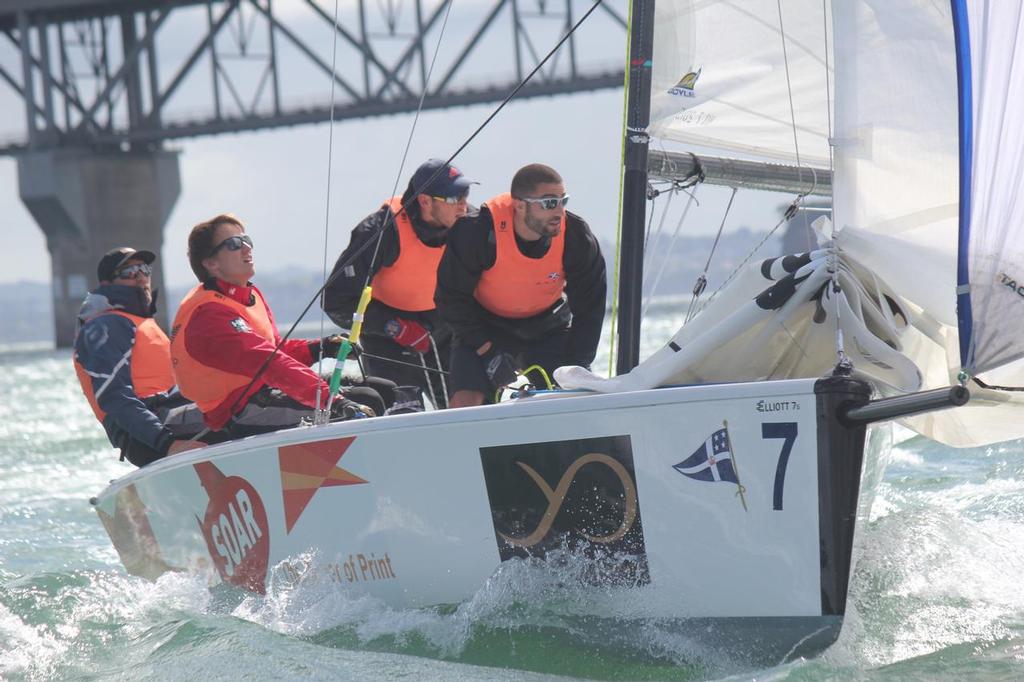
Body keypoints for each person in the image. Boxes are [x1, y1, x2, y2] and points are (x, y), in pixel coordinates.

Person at [170, 214, 389, 439]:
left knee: (385, 389)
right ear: (211, 264)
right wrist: (332, 401)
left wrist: (321, 347)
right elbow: (269, 363)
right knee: (367, 400)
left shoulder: (247, 296)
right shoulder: (210, 315)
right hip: (238, 412)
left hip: (264, 394)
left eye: (247, 240)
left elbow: (274, 350)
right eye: (234, 244)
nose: (246, 248)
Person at [435, 163, 607, 408]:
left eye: (562, 201)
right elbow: (449, 299)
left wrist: (577, 366)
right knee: (466, 402)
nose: (558, 211)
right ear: (519, 205)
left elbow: (590, 307)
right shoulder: (476, 231)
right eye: (549, 203)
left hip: (547, 327)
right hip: (485, 327)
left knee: (574, 397)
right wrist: (487, 351)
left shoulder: (576, 236)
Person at [323, 158, 476, 409]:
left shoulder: (471, 223)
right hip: (389, 339)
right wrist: (393, 326)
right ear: (425, 201)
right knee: (404, 413)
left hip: (446, 331)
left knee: (473, 410)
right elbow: (336, 301)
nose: (463, 205)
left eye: (465, 194)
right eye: (453, 198)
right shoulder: (381, 231)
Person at [73, 247, 208, 467]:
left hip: (174, 414)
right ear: (107, 284)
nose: (140, 276)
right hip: (152, 431)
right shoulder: (106, 325)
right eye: (129, 271)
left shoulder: (139, 322)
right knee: (248, 411)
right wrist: (168, 444)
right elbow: (114, 396)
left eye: (144, 269)